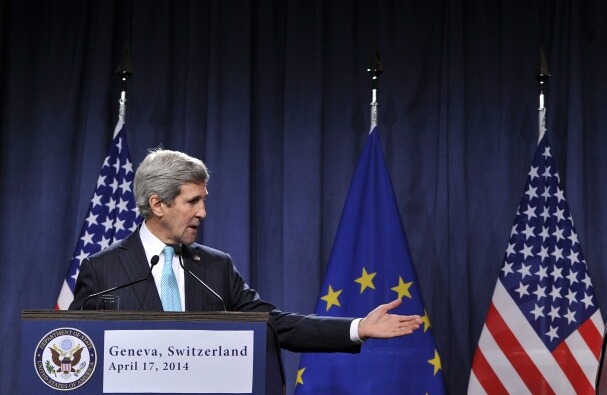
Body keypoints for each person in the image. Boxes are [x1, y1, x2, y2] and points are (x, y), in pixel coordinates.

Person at [69, 149, 421, 352]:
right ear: (157, 204)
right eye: (193, 202)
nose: (202, 213)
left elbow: (275, 325)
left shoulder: (214, 269)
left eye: (203, 202)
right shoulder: (103, 272)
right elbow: (74, 350)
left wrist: (358, 327)